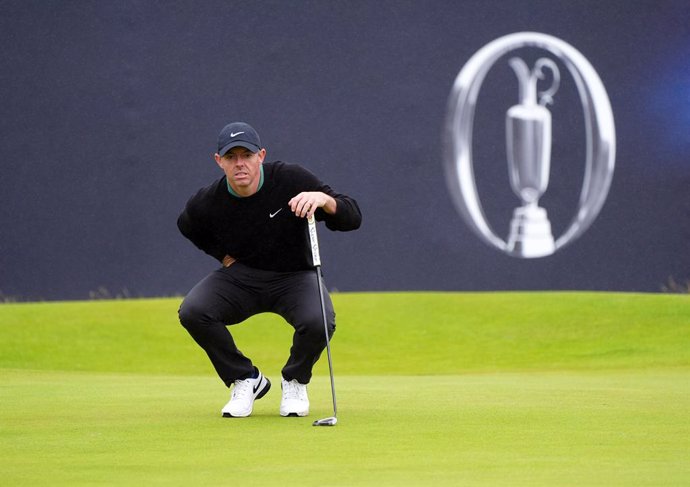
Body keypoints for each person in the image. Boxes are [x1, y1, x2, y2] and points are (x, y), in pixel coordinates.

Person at [177, 122, 362, 418]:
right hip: (243, 278)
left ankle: (295, 380)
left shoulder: (290, 179)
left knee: (319, 321)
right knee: (193, 311)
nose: (240, 164)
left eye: (247, 155)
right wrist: (223, 257)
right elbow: (187, 225)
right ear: (218, 161)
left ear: (261, 155)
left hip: (296, 276)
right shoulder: (208, 201)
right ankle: (245, 379)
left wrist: (324, 200)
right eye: (231, 157)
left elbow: (352, 217)